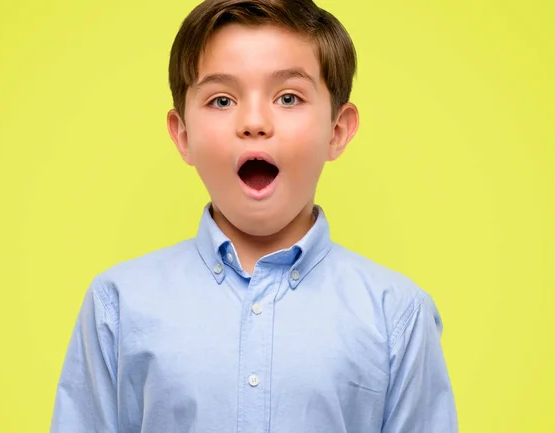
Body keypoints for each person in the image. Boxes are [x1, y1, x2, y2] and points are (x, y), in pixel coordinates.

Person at [50, 0, 458, 431]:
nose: (254, 122)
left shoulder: (398, 314)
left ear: (337, 131)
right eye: (222, 100)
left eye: (288, 97)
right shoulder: (118, 303)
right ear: (183, 135)